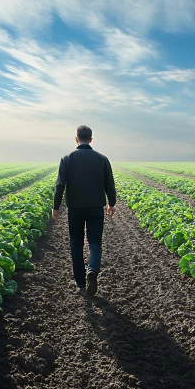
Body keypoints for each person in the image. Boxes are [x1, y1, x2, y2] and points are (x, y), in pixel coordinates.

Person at [52, 125, 116, 296]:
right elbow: (110, 183)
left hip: (75, 208)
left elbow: (60, 185)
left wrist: (55, 206)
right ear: (91, 139)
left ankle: (80, 281)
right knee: (95, 242)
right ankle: (92, 271)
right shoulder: (102, 159)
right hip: (96, 208)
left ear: (76, 139)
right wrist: (111, 203)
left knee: (76, 243)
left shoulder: (67, 158)